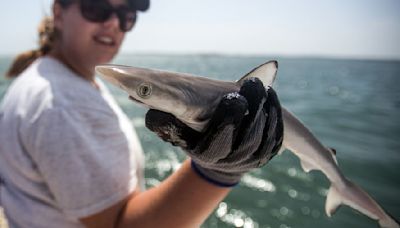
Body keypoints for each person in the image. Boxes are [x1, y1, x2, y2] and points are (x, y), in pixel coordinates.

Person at [0, 0, 284, 227]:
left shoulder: (49, 78)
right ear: (58, 13)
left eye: (126, 16)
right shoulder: (63, 104)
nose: (113, 23)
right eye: (96, 8)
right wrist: (219, 168)